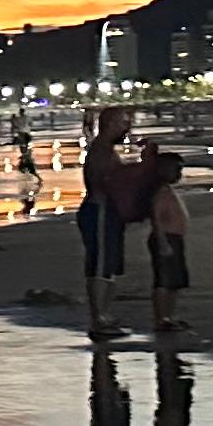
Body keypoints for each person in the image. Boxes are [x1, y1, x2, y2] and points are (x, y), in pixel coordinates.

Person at [74, 105, 139, 334]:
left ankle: (103, 314)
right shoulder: (101, 150)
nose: (127, 127)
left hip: (107, 212)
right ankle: (98, 317)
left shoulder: (105, 149)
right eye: (124, 123)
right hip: (99, 210)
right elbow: (106, 182)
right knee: (100, 265)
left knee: (108, 264)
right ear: (110, 124)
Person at [143, 148, 193, 334]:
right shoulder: (160, 192)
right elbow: (156, 218)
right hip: (165, 238)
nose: (179, 174)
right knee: (164, 281)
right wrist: (162, 241)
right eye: (176, 170)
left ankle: (168, 316)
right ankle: (161, 318)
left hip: (173, 238)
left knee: (173, 281)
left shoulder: (166, 191)